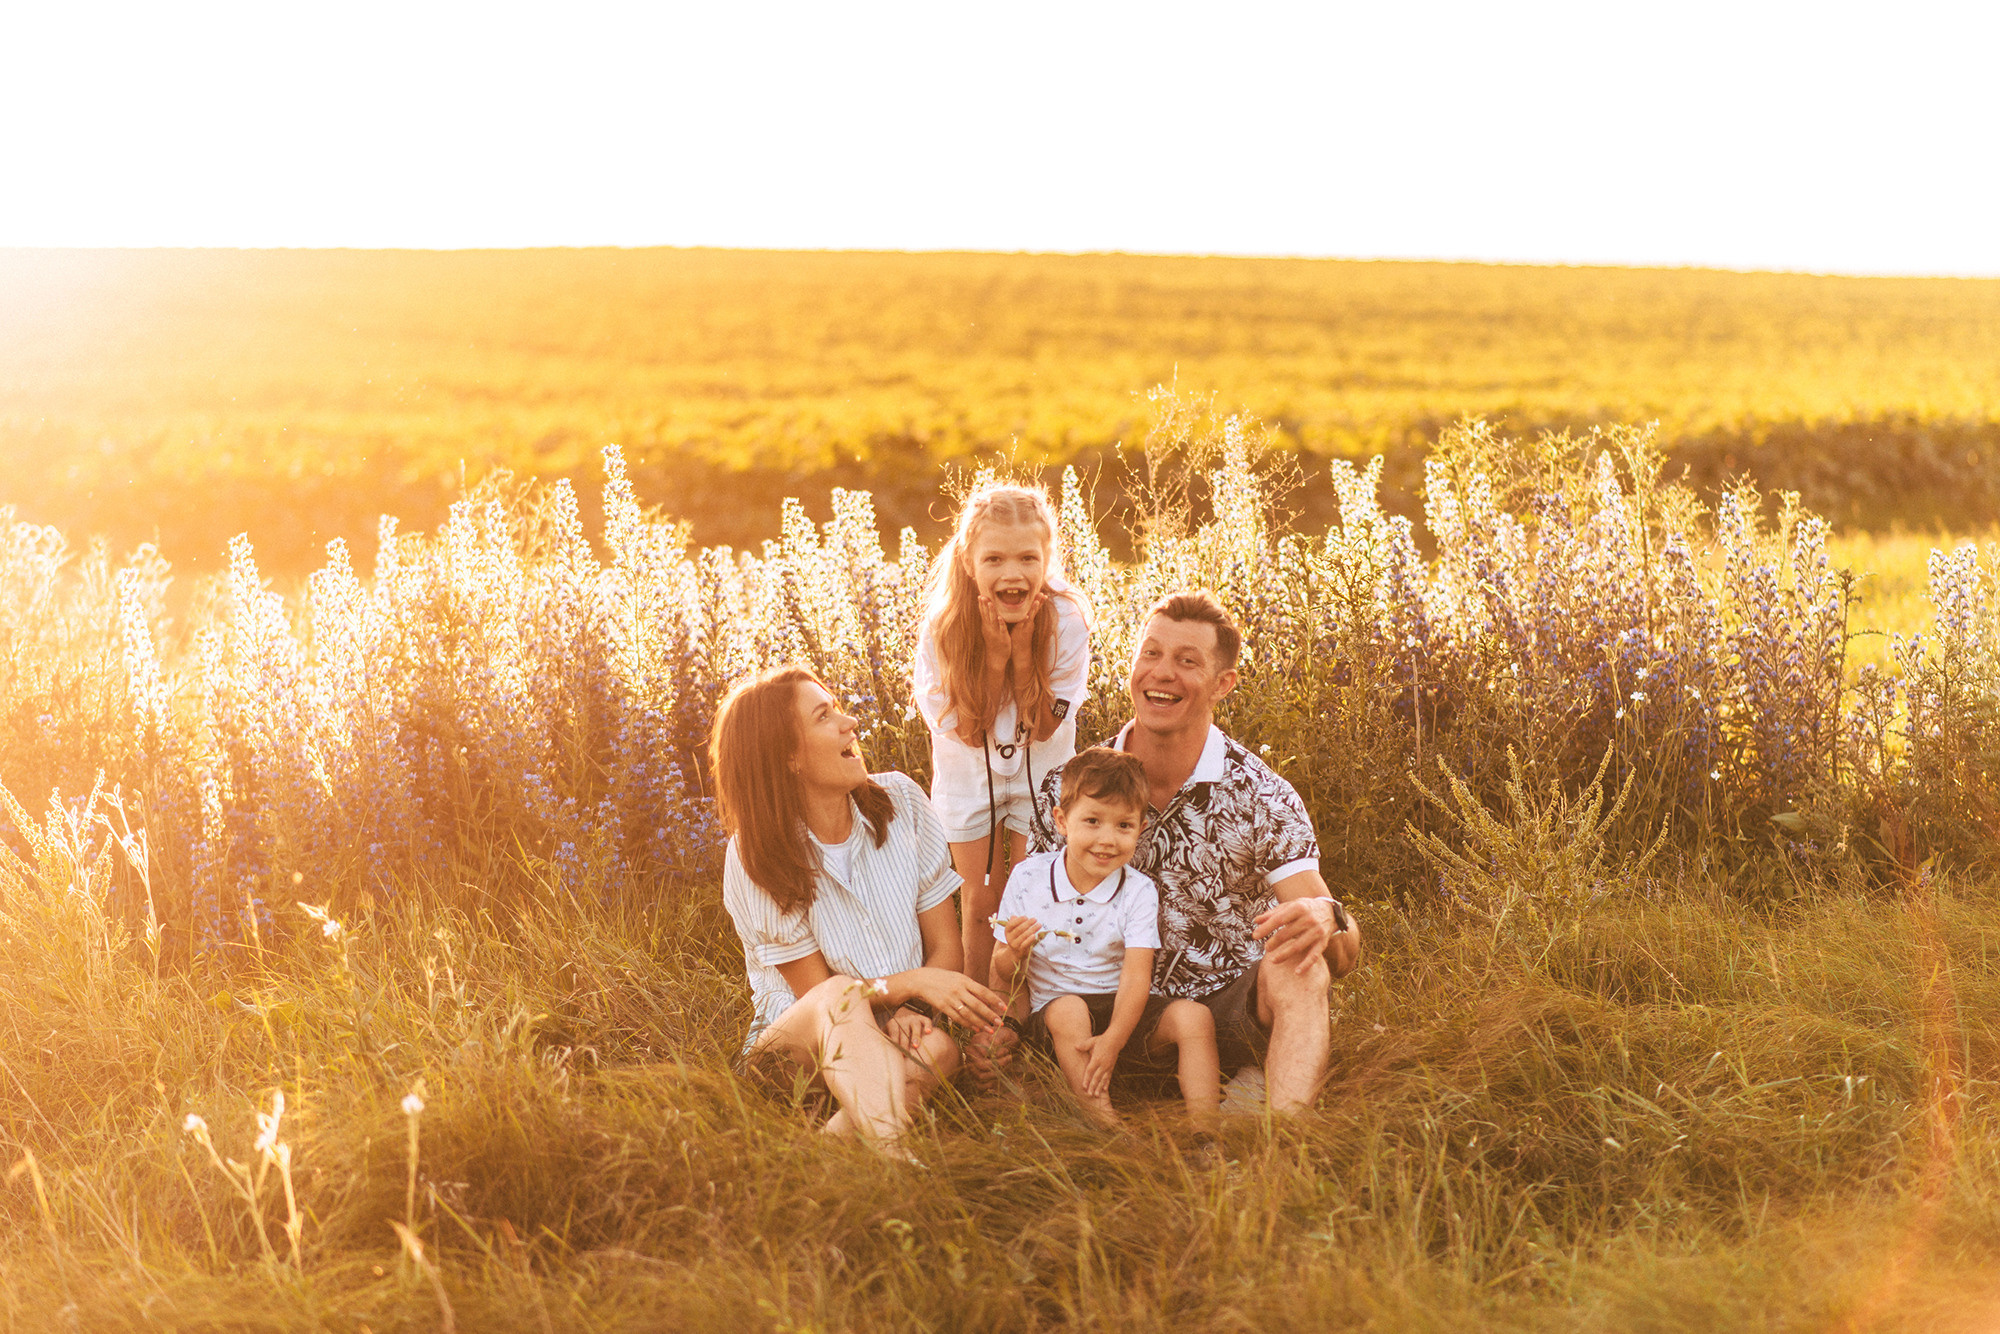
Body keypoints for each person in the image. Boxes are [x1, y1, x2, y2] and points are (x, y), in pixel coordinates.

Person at [1008, 590, 1363, 1115]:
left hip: (1219, 1015)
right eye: (1150, 654)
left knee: (1302, 963)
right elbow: (1023, 928)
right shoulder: (1069, 789)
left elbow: (1343, 951)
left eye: (1186, 661)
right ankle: (1133, 1109)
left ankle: (1287, 1142)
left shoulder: (1262, 795)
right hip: (1089, 1016)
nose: (1162, 673)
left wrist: (1325, 916)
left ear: (1223, 684)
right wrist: (1006, 1028)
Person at [713, 665, 1007, 1153]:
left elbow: (944, 948)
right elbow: (825, 999)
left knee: (938, 1048)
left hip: (891, 1027)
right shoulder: (754, 854)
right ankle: (893, 1158)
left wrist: (911, 1009)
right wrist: (910, 986)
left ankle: (831, 1152)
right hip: (797, 1052)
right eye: (824, 717)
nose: (850, 723)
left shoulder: (902, 801)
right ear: (788, 757)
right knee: (835, 997)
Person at [912, 482, 1093, 992]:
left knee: (1027, 897)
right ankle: (975, 1004)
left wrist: (1021, 656)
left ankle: (1021, 1004)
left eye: (1027, 558)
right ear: (968, 562)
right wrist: (994, 658)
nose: (1011, 574)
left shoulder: (1067, 618)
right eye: (993, 559)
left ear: (1048, 559)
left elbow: (1045, 724)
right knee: (981, 899)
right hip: (971, 775)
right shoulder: (944, 625)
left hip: (1041, 770)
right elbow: (969, 732)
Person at [989, 746, 1221, 1128]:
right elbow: (1002, 969)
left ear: (1141, 828)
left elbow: (1135, 976)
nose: (1107, 840)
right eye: (1092, 821)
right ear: (1062, 821)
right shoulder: (1029, 878)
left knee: (1194, 1017)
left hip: (1121, 1015)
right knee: (1068, 1010)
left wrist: (1114, 1039)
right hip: (1056, 1023)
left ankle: (1206, 1131)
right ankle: (1107, 1127)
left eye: (1123, 826)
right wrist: (1014, 951)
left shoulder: (1138, 890)